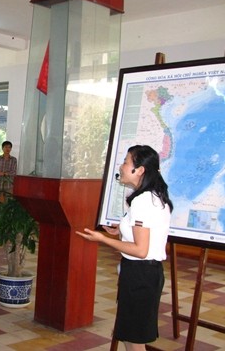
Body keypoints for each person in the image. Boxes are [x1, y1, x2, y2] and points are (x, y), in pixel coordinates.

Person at [76, 145, 173, 351]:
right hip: (143, 273)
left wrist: (102, 239)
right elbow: (144, 234)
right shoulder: (150, 196)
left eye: (126, 161)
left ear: (140, 170)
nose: (121, 165)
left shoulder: (143, 201)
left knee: (135, 340)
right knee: (130, 336)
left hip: (141, 275)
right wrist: (120, 230)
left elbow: (140, 250)